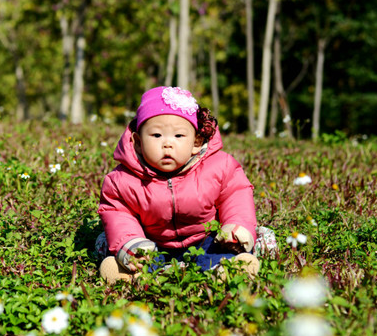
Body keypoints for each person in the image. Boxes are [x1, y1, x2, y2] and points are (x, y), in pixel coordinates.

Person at [97, 86, 259, 283]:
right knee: (123, 250)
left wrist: (235, 227)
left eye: (179, 136)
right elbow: (118, 213)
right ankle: (132, 274)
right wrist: (131, 243)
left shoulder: (221, 167)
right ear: (138, 142)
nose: (167, 143)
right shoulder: (122, 180)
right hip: (151, 243)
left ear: (196, 142)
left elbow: (236, 196)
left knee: (223, 250)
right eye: (156, 135)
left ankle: (228, 270)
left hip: (205, 238)